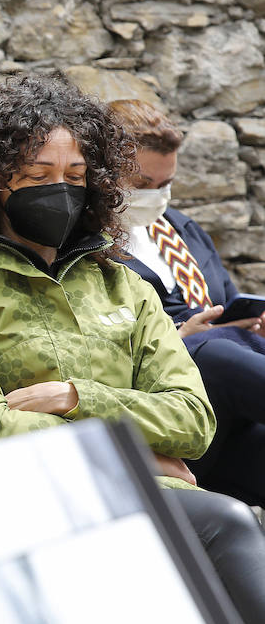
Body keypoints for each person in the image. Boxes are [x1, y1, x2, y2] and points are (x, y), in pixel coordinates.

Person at [0, 72, 265, 624]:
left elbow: (194, 421)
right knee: (225, 523)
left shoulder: (125, 287)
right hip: (15, 496)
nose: (61, 191)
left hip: (137, 490)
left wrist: (75, 396)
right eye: (37, 176)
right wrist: (128, 454)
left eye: (75, 176)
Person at [111, 99, 265, 504]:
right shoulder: (87, 247)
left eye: (165, 184)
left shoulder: (181, 228)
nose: (156, 196)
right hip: (168, 406)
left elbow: (230, 303)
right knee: (212, 354)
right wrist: (178, 338)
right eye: (142, 184)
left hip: (234, 411)